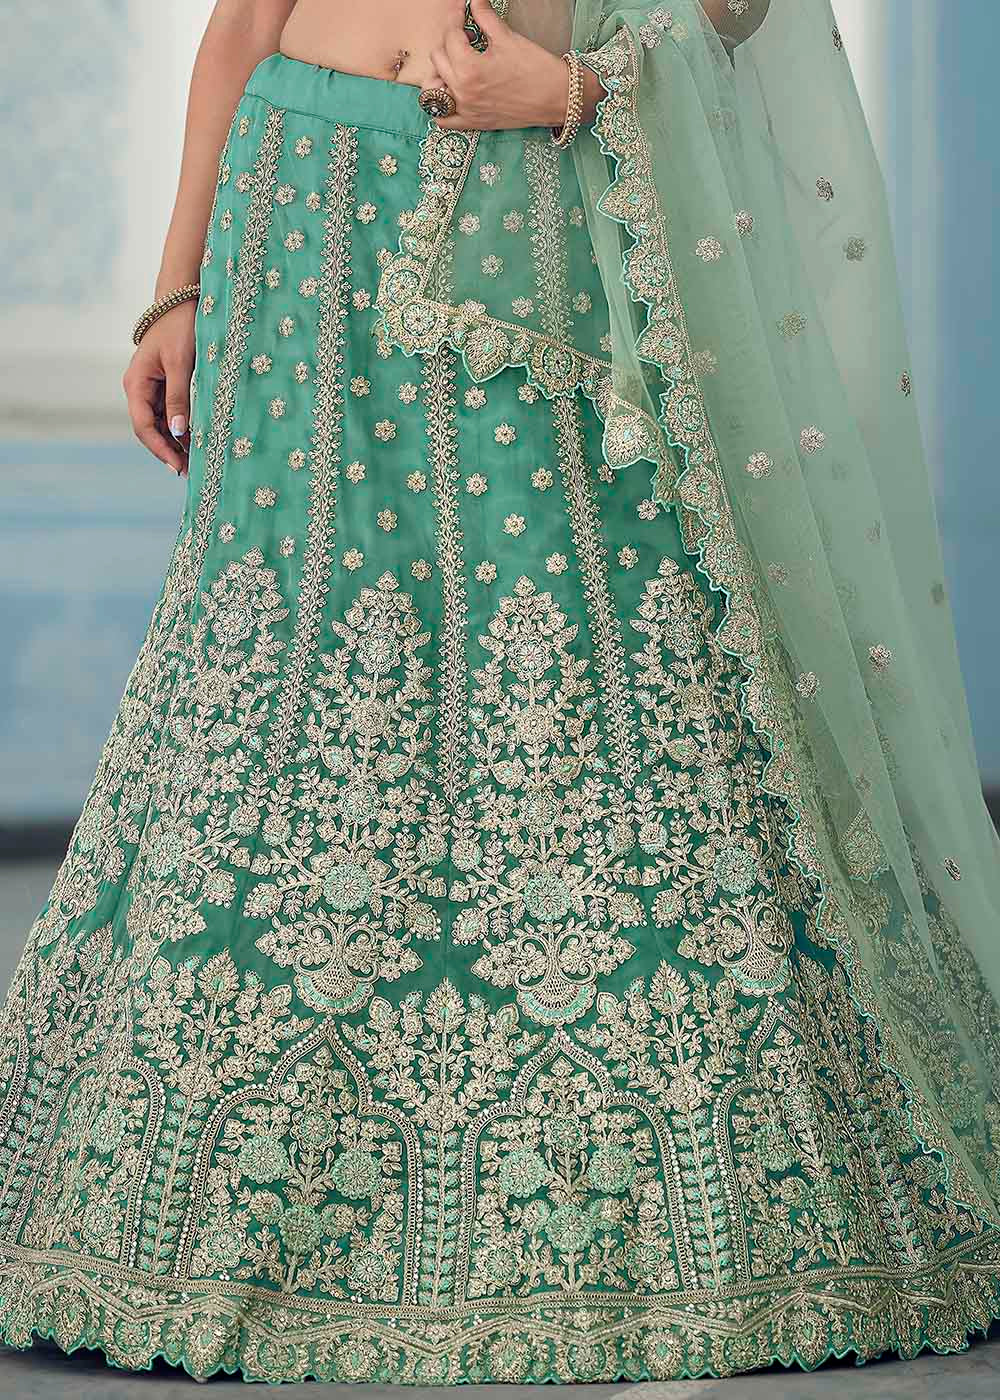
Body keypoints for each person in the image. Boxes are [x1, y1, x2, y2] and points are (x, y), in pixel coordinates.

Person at [1, 0, 999, 1386]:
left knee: (587, 656)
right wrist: (174, 293)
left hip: (533, 228)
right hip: (299, 214)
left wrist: (582, 90)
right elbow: (240, 24)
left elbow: (736, 16)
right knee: (290, 665)